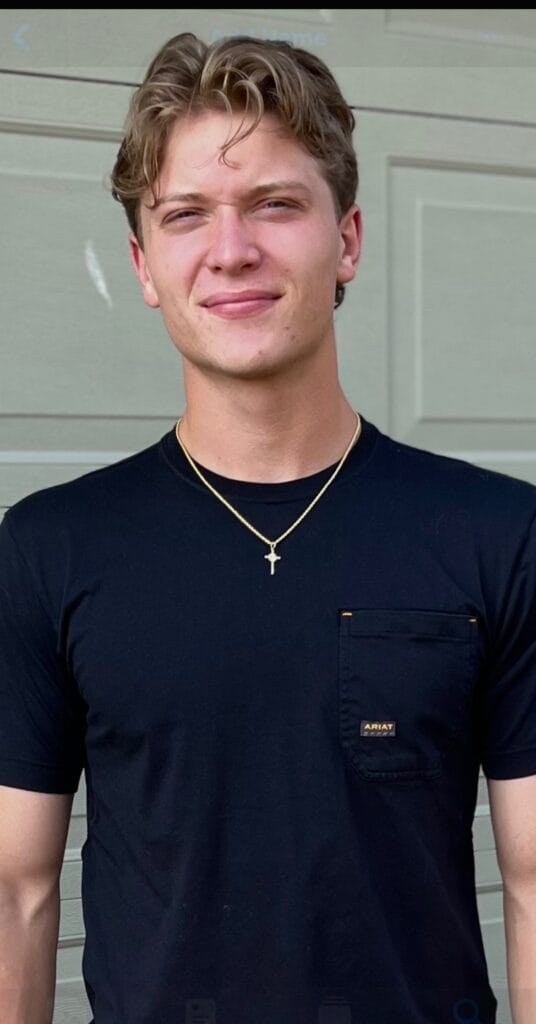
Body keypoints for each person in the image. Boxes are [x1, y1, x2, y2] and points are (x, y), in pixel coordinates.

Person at [0, 30, 535, 1024]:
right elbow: (15, 893)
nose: (230, 248)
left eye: (274, 204)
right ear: (145, 263)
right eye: (185, 215)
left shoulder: (497, 538)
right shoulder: (48, 553)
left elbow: (535, 881)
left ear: (347, 240)